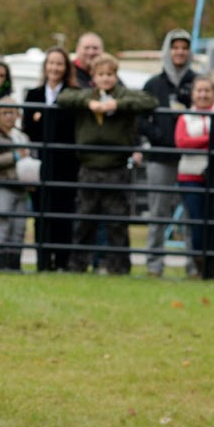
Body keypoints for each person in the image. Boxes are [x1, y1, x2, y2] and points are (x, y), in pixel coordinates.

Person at [56, 53, 157, 275]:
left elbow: (149, 101)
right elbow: (63, 98)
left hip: (116, 166)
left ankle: (119, 267)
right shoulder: (85, 95)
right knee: (85, 218)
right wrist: (88, 103)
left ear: (116, 75)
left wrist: (118, 105)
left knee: (117, 220)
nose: (106, 79)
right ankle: (78, 265)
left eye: (110, 74)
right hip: (89, 166)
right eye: (101, 74)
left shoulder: (123, 95)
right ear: (93, 76)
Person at [140, 29, 197, 277]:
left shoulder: (197, 83)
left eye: (184, 48)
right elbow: (141, 119)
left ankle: (194, 265)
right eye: (175, 47)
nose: (180, 52)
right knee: (158, 212)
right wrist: (158, 136)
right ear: (168, 50)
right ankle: (154, 264)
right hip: (160, 158)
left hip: (190, 159)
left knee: (191, 214)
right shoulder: (154, 85)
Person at [175, 75, 214, 279]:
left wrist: (198, 141)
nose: (203, 94)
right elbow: (182, 142)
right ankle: (201, 267)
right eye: (199, 90)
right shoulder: (185, 117)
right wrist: (211, 139)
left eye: (207, 90)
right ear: (192, 94)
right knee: (197, 223)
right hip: (191, 176)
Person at [23, 46, 76, 272]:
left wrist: (42, 118)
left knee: (63, 212)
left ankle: (62, 261)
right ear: (45, 66)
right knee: (41, 212)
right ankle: (43, 262)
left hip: (66, 163)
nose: (54, 68)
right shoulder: (33, 95)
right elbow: (29, 129)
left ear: (65, 68)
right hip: (40, 162)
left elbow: (70, 129)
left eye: (59, 63)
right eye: (51, 63)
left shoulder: (72, 96)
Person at [0, 100, 32, 271]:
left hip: (21, 186)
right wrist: (15, 157)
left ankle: (15, 263)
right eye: (6, 113)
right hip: (3, 186)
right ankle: (1, 263)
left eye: (13, 112)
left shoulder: (22, 136)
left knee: (19, 226)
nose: (10, 117)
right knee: (4, 224)